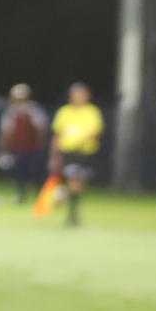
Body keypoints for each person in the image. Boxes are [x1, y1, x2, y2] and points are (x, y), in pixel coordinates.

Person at [49, 83, 104, 225]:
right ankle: (71, 210)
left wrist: (81, 137)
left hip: (85, 153)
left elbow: (96, 131)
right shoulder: (64, 112)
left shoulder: (91, 112)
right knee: (73, 180)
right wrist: (54, 155)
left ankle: (68, 202)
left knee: (79, 182)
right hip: (69, 152)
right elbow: (57, 134)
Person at [0, 84, 45, 204]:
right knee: (18, 172)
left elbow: (41, 129)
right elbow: (6, 132)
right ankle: (21, 195)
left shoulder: (33, 109)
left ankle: (39, 196)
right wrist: (3, 149)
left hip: (33, 148)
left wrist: (40, 146)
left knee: (35, 172)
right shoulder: (11, 112)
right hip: (17, 148)